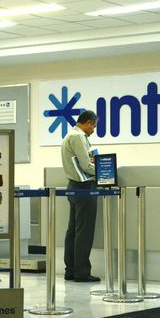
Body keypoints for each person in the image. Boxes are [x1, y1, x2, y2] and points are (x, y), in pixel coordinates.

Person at [61, 110, 100, 282]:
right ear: (89, 122)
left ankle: (70, 269)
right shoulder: (78, 137)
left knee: (73, 231)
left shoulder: (68, 135)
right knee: (84, 232)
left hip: (73, 186)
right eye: (94, 126)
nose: (93, 130)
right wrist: (104, 173)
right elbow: (86, 166)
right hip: (84, 187)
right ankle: (82, 272)